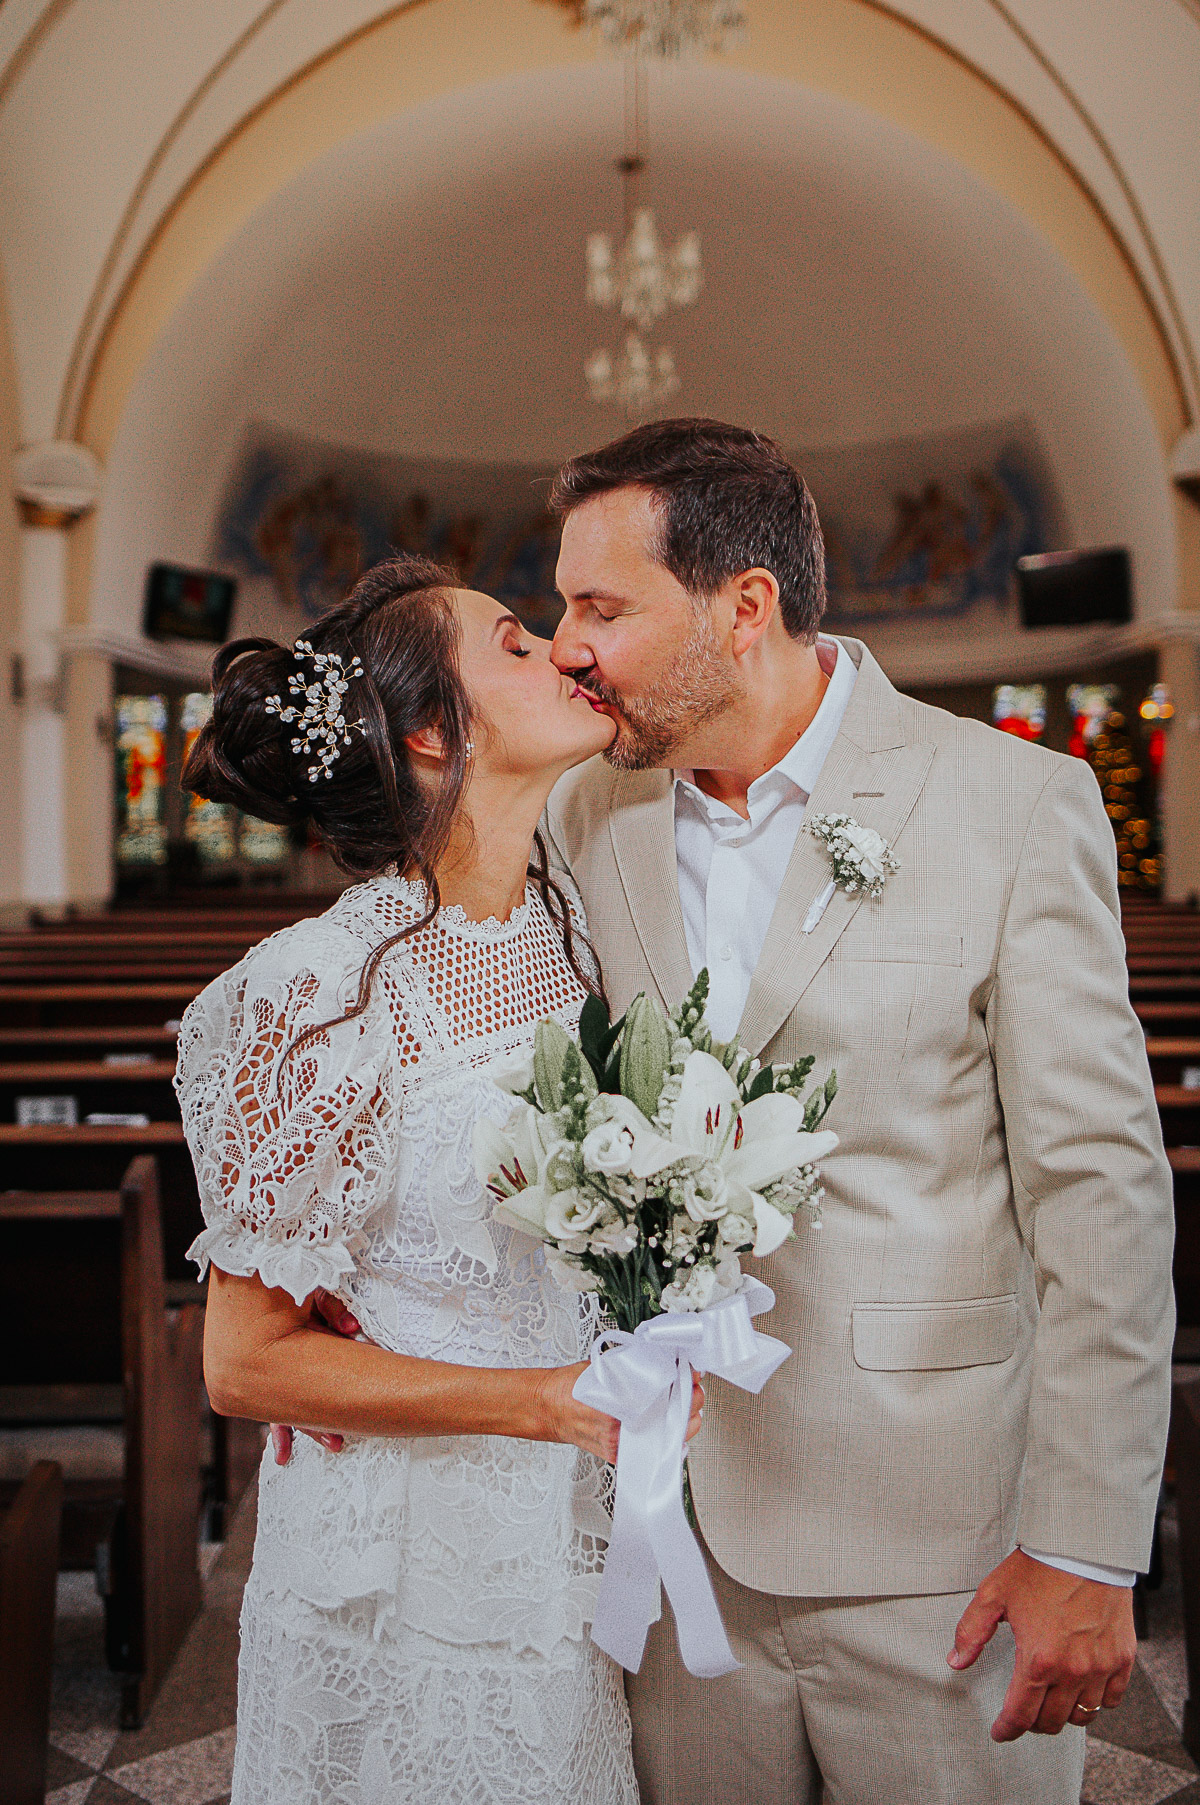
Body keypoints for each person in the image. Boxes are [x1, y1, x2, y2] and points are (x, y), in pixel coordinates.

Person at [538, 417, 1175, 1804]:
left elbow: (1099, 1193)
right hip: (668, 1539)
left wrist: (1086, 1541)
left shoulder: (1014, 803)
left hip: (942, 1549)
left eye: (601, 606)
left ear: (745, 606)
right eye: (559, 608)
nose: (568, 643)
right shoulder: (588, 817)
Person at [174, 555, 701, 1804]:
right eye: (516, 643)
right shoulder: (316, 990)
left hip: (564, 1531)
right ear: (427, 731)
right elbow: (245, 1361)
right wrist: (549, 1398)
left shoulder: (590, 930)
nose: (566, 652)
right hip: (398, 1560)